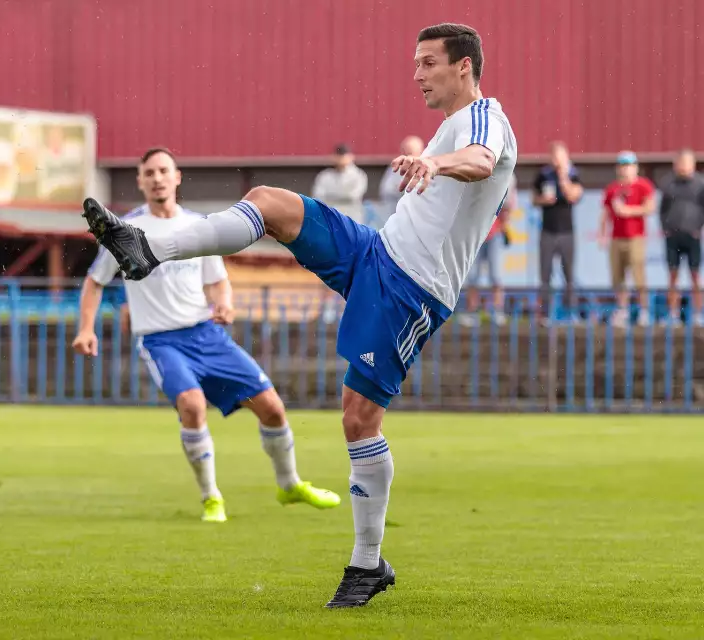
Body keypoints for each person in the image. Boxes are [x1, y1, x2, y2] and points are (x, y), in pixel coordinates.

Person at [82, 23, 517, 609]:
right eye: (414, 63)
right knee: (269, 202)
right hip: (375, 251)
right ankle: (148, 250)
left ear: (464, 67)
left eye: (427, 64)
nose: (416, 74)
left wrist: (436, 163)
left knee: (358, 420)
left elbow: (483, 160)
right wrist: (434, 160)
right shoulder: (447, 125)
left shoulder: (486, 116)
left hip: (412, 289)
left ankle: (368, 564)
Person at [73, 148, 340, 524]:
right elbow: (94, 282)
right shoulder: (126, 231)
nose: (157, 178)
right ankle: (211, 496)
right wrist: (86, 329)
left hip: (206, 335)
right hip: (161, 340)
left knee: (273, 408)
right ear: (140, 181)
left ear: (177, 176)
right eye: (149, 172)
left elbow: (217, 282)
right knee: (193, 406)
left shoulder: (198, 226)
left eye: (163, 170)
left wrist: (224, 304)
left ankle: (289, 483)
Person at [599, 151, 657, 327]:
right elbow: (605, 213)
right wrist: (602, 233)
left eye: (629, 165)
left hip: (635, 237)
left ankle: (643, 310)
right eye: (623, 165)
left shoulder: (643, 185)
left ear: (636, 167)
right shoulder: (612, 189)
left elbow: (650, 207)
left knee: (638, 274)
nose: (626, 169)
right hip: (616, 238)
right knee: (618, 276)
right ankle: (622, 309)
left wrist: (628, 211)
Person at [532, 141, 583, 323]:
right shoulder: (543, 175)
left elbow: (574, 196)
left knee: (569, 274)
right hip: (547, 231)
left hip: (566, 232)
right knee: (545, 275)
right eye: (554, 157)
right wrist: (543, 200)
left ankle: (571, 313)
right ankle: (544, 313)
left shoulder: (573, 174)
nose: (556, 161)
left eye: (560, 157)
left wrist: (563, 178)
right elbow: (534, 199)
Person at [459, 173, 516, 326]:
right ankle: (472, 312)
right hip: (475, 232)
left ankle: (497, 312)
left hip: (495, 232)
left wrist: (504, 224)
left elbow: (509, 204)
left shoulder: (507, 172)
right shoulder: (476, 168)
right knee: (472, 275)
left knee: (496, 275)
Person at [658, 149, 704, 326]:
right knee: (672, 276)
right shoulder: (668, 183)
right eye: (681, 163)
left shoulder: (700, 183)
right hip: (673, 237)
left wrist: (698, 228)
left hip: (692, 236)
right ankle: (673, 314)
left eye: (687, 163)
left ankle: (699, 314)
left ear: (693, 164)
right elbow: (662, 210)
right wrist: (666, 229)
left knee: (695, 277)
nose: (683, 166)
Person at [311, 143, 369, 223]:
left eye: (344, 155)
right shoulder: (325, 176)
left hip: (352, 220)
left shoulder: (359, 175)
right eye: (339, 155)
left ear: (351, 157)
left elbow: (353, 196)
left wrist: (329, 196)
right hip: (330, 220)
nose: (341, 158)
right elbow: (318, 197)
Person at [379, 135, 425, 220]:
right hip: (398, 216)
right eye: (405, 151)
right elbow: (386, 190)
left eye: (411, 152)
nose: (408, 156)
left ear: (421, 151)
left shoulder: (428, 168)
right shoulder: (395, 168)